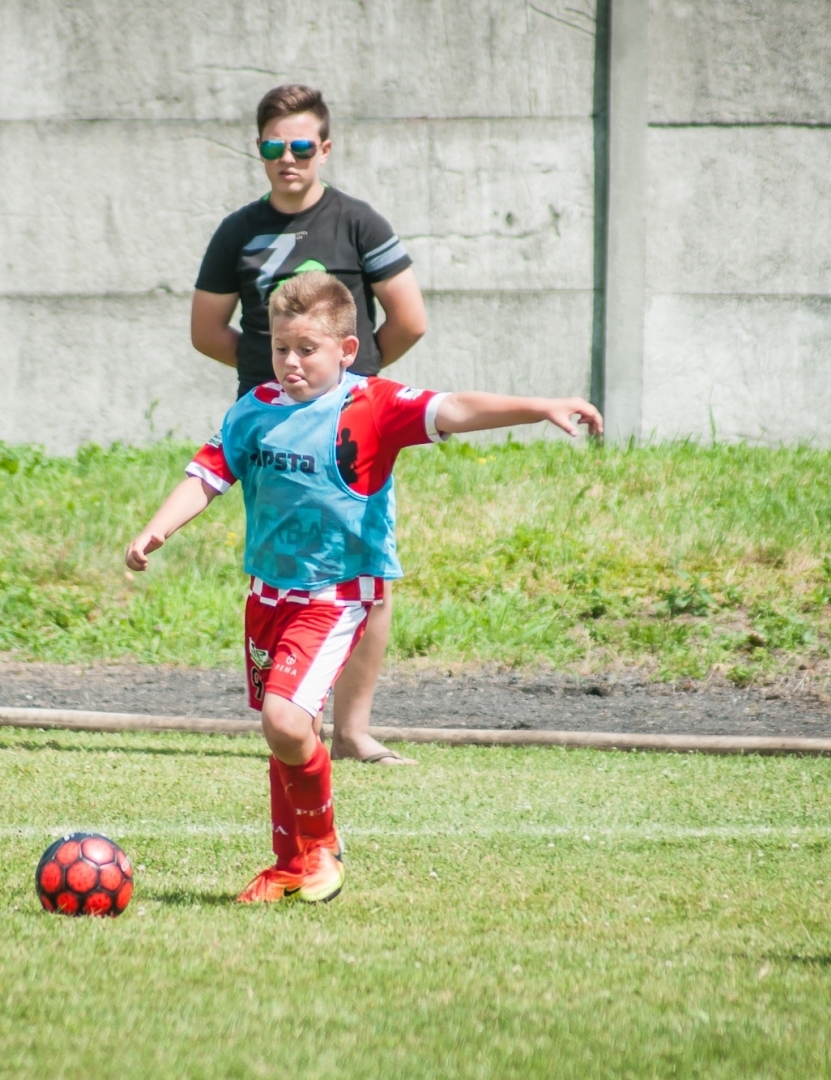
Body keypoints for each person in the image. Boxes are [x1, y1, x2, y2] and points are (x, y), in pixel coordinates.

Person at [129, 273, 601, 903]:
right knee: (285, 733)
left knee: (285, 719)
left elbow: (453, 407)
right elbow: (208, 476)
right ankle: (290, 864)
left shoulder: (370, 405)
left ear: (345, 351)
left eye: (307, 349)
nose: (290, 362)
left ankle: (321, 847)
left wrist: (538, 405)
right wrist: (156, 529)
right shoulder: (254, 409)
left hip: (335, 594)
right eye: (279, 348)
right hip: (267, 595)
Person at [190, 84, 428, 766]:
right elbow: (208, 330)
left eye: (301, 145)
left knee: (365, 572)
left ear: (324, 148)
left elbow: (409, 319)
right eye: (273, 146)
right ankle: (296, 715)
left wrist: (354, 384)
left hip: (353, 434)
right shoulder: (238, 231)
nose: (287, 158)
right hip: (269, 436)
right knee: (283, 570)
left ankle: (352, 729)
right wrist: (277, 383)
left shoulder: (358, 223)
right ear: (259, 151)